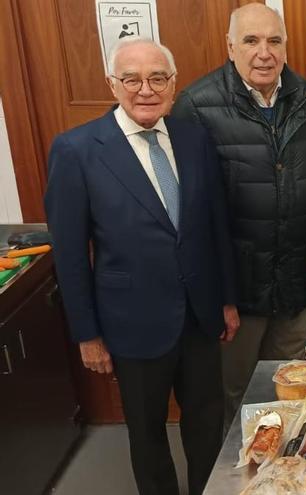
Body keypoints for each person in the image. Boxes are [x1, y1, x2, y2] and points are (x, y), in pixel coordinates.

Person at [44, 38, 237, 495]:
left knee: (208, 423)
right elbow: (70, 254)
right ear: (113, 84)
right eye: (132, 79)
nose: (145, 89)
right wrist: (87, 335)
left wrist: (226, 300)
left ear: (173, 84)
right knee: (147, 434)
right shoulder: (77, 150)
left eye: (158, 78)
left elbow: (216, 227)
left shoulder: (193, 137)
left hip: (199, 315)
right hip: (131, 323)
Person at [170, 3, 306, 425]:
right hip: (236, 291)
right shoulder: (197, 105)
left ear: (286, 47)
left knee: (291, 387)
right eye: (252, 41)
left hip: (295, 280)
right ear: (230, 46)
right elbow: (189, 211)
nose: (264, 52)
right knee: (235, 394)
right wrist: (215, 293)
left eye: (274, 41)